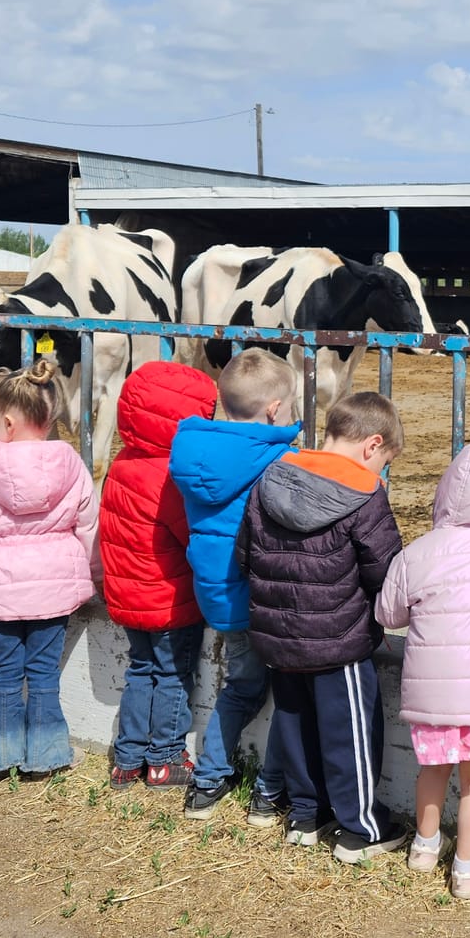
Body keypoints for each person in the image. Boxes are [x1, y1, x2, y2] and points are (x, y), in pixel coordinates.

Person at [240, 391, 408, 864]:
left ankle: (305, 816)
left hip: (277, 635)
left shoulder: (273, 476)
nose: (382, 472)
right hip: (340, 641)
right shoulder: (365, 493)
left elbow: (246, 553)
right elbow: (384, 571)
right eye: (385, 461)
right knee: (349, 731)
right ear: (372, 445)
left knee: (293, 722)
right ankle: (361, 827)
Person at [375, 441, 470, 900]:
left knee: (433, 769)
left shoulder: (418, 552)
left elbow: (387, 615)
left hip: (430, 696)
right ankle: (466, 868)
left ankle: (423, 847)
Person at [169, 349, 304, 823]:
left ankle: (208, 781)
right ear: (273, 410)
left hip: (217, 595)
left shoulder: (192, 451)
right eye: (288, 408)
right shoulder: (280, 457)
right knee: (284, 692)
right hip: (266, 596)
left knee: (240, 687)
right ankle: (268, 790)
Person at [0, 359, 97, 778]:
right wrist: (88, 575)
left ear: (9, 423)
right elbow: (88, 527)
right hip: (54, 591)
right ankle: (46, 754)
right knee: (44, 673)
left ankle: (5, 754)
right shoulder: (74, 468)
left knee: (7, 673)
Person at [101, 360, 218, 789]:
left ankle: (128, 758)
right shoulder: (171, 476)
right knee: (171, 674)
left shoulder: (122, 463)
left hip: (129, 598)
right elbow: (191, 534)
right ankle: (166, 757)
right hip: (169, 601)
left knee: (139, 670)